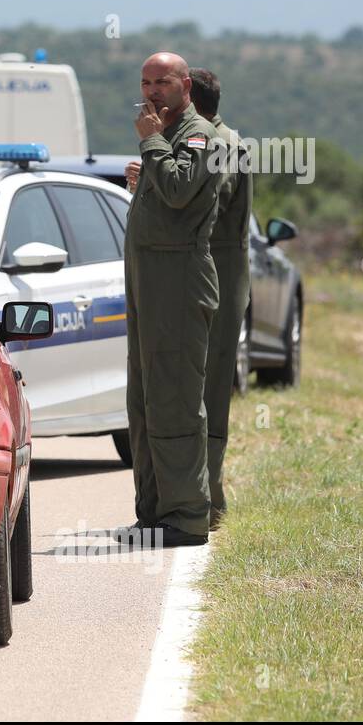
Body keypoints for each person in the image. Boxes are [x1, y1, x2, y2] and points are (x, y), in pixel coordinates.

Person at [117, 53, 221, 549]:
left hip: (178, 281)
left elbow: (181, 190)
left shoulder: (201, 134)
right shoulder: (169, 138)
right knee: (145, 398)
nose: (152, 90)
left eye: (162, 82)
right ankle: (156, 512)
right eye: (145, 82)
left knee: (176, 396)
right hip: (149, 280)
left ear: (185, 86)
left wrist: (151, 142)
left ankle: (187, 515)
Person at [190, 68, 252, 530]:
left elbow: (208, 205)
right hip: (208, 280)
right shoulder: (208, 140)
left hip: (215, 281)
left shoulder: (222, 144)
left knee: (208, 390)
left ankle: (209, 497)